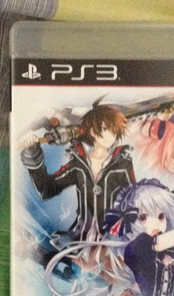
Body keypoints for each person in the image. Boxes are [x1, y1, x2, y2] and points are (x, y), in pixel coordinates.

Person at [20, 102, 134, 243]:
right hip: (80, 239)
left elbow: (135, 199)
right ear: (92, 131)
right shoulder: (79, 164)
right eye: (105, 129)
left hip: (115, 238)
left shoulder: (123, 164)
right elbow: (46, 189)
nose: (109, 136)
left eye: (114, 131)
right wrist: (32, 154)